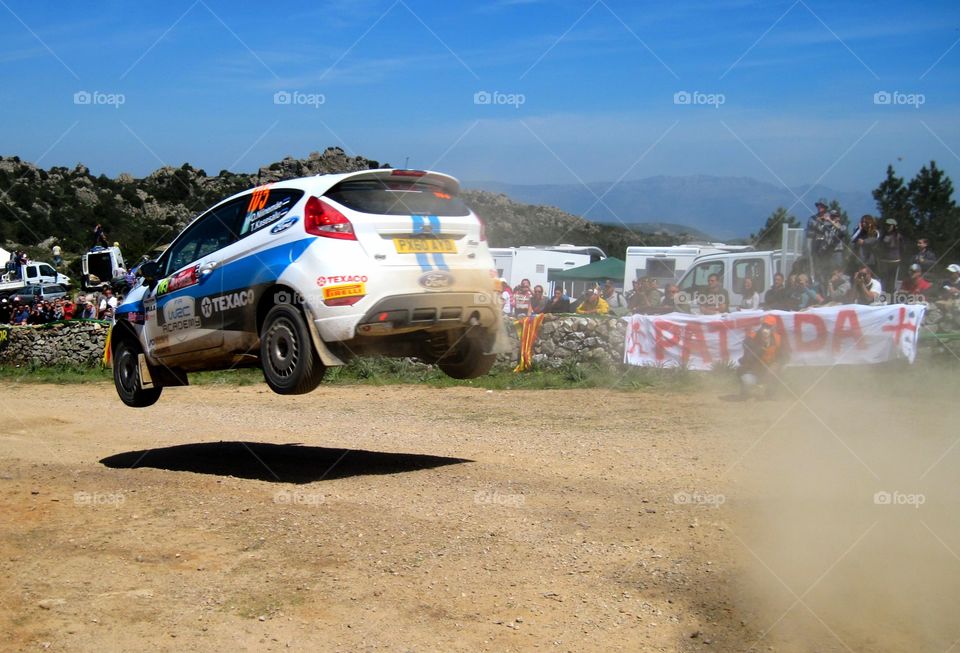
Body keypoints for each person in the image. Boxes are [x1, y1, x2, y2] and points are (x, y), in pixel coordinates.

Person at [739, 315, 789, 399]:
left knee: (784, 367)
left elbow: (786, 356)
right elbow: (749, 358)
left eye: (769, 327)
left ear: (774, 328)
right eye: (764, 326)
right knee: (748, 381)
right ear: (761, 326)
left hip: (769, 369)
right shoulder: (751, 338)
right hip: (753, 370)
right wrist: (763, 347)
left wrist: (777, 364)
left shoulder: (778, 338)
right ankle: (746, 391)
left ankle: (771, 392)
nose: (766, 329)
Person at [877, 218, 905, 302]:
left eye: (889, 225)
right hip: (884, 261)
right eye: (886, 225)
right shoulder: (882, 236)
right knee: (883, 281)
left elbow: (902, 249)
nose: (887, 227)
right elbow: (880, 248)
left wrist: (900, 258)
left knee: (892, 282)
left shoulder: (898, 236)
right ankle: (883, 299)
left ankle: (891, 300)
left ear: (894, 226)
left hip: (894, 261)